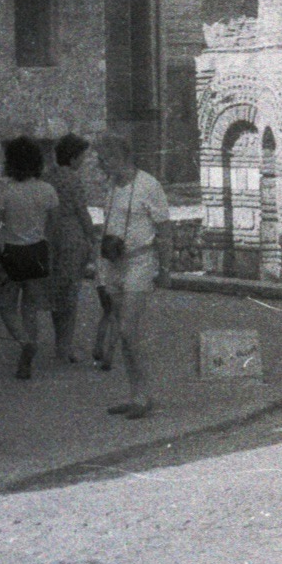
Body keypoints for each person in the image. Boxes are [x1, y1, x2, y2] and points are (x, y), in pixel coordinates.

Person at [95, 132, 172, 419]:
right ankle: (135, 393)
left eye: (104, 160)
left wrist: (165, 269)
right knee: (125, 332)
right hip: (114, 262)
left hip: (140, 262)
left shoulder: (148, 186)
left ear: (119, 158)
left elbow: (164, 231)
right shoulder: (113, 186)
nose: (101, 167)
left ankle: (143, 395)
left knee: (128, 330)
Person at [0, 137, 59, 380]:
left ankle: (24, 341)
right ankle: (28, 354)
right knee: (30, 308)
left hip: (12, 251)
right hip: (37, 250)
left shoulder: (6, 191)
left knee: (7, 306)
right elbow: (53, 224)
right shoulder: (47, 190)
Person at [45, 134, 96, 364]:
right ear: (74, 158)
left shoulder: (48, 178)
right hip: (71, 237)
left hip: (51, 237)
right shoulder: (73, 179)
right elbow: (82, 212)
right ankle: (64, 348)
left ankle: (60, 344)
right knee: (71, 293)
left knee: (57, 292)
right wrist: (92, 238)